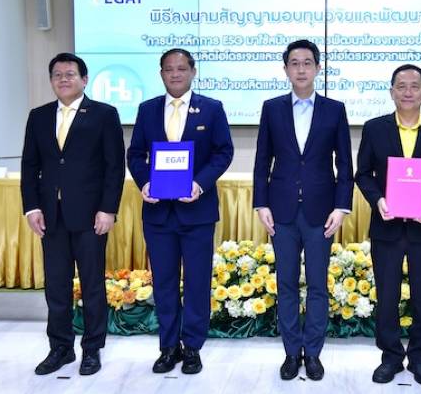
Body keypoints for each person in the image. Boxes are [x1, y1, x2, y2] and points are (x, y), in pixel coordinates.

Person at [127, 48, 233, 374]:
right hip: (158, 214)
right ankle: (168, 347)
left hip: (197, 213)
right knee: (164, 283)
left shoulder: (212, 109)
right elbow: (135, 154)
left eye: (182, 68)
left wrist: (199, 184)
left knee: (198, 283)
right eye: (169, 69)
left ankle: (193, 348)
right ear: (161, 73)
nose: (175, 74)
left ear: (193, 72)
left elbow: (223, 152)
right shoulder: (147, 110)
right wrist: (145, 182)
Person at [253, 39, 353, 381]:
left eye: (307, 63)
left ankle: (313, 353)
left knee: (317, 285)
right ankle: (291, 353)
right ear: (285, 69)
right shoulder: (272, 108)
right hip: (281, 211)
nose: (301, 69)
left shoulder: (334, 109)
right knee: (286, 284)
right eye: (294, 63)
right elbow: (262, 160)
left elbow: (345, 164)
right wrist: (261, 203)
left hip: (321, 212)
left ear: (318, 68)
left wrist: (341, 206)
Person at [21, 53, 125, 376]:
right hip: (51, 217)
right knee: (56, 286)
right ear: (51, 80)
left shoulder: (104, 114)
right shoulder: (38, 116)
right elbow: (30, 166)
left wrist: (108, 209)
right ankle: (60, 348)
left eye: (70, 74)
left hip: (91, 216)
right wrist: (32, 207)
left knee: (92, 286)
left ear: (84, 79)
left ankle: (92, 349)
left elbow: (114, 166)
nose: (63, 79)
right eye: (57, 75)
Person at [355, 64, 421, 385]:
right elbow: (363, 174)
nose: (408, 92)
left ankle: (420, 359)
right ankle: (391, 357)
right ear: (391, 92)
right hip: (387, 226)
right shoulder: (375, 128)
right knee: (387, 296)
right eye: (401, 86)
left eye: (414, 86)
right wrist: (378, 200)